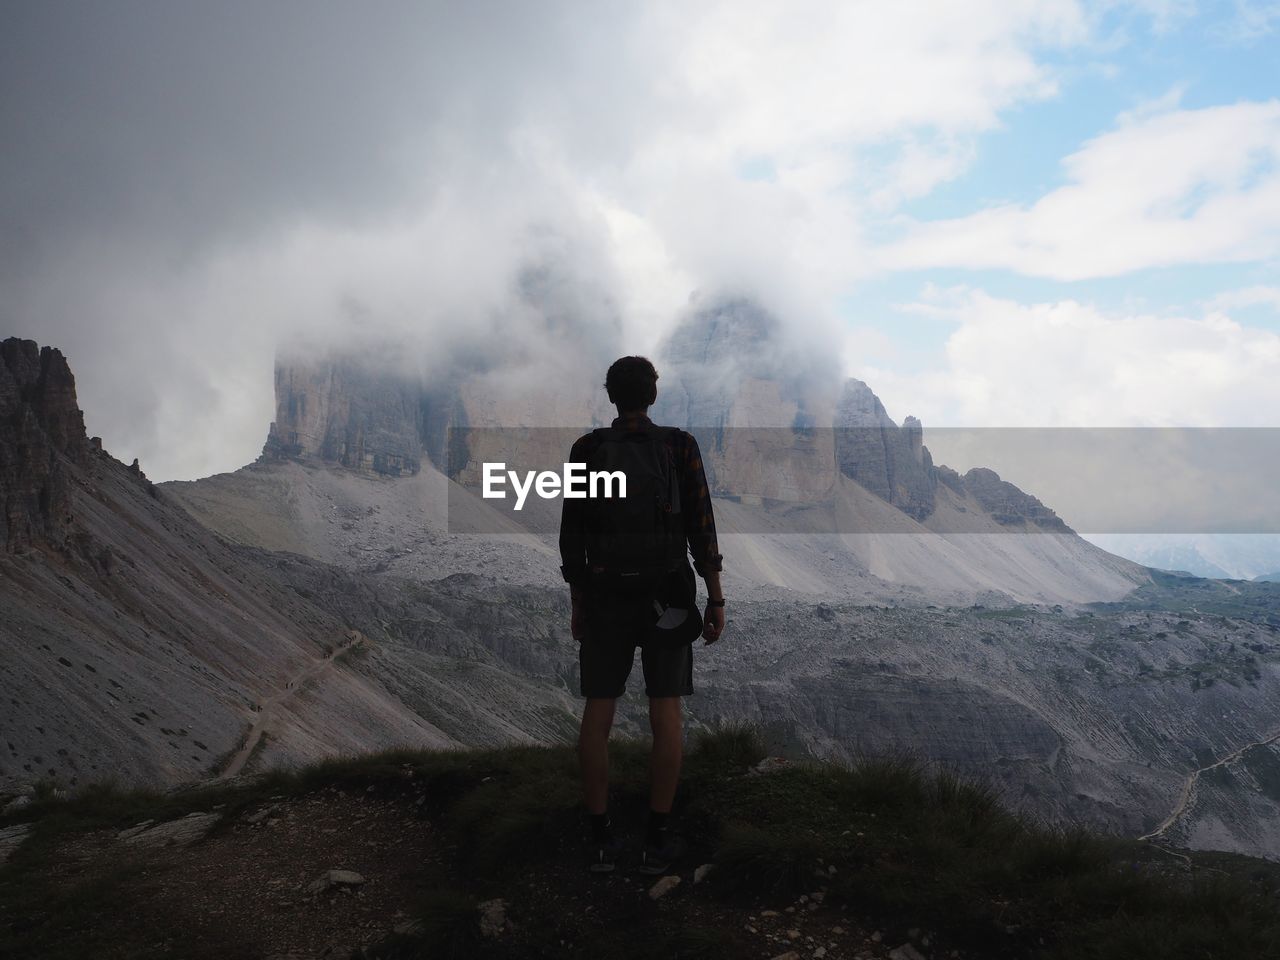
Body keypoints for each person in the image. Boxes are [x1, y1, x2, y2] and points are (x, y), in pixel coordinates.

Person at [559, 355, 725, 874]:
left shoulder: (587, 449)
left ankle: (600, 839)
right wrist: (715, 598)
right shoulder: (680, 446)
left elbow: (573, 538)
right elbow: (703, 527)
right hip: (668, 597)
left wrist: (580, 602)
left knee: (598, 711)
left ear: (611, 395)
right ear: (653, 395)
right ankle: (657, 839)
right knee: (666, 711)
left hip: (606, 595)